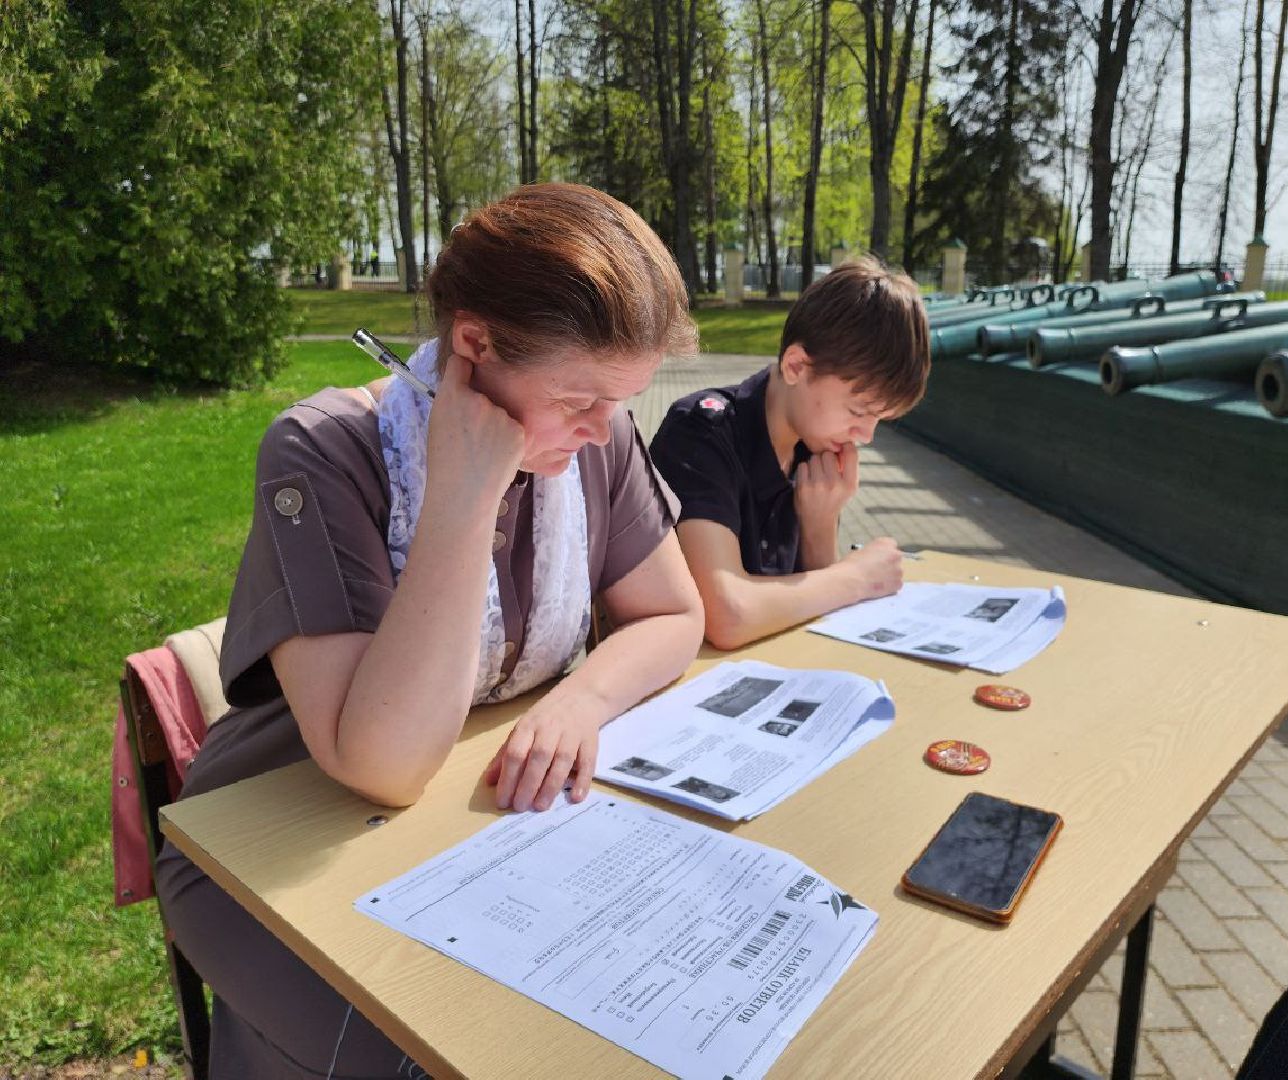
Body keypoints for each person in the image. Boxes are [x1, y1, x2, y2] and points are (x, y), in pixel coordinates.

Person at [155, 183, 706, 1077]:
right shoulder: (324, 451)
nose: (605, 431)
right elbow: (385, 764)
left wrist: (581, 702)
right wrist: (462, 497)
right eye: (581, 399)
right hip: (273, 853)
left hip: (475, 834)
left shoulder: (592, 438)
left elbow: (678, 614)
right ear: (474, 347)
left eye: (626, 398)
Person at [648, 255, 930, 649]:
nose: (865, 435)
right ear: (797, 366)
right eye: (858, 411)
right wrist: (858, 576)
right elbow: (726, 615)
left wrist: (819, 522)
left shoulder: (812, 447)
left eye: (880, 419)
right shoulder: (700, 432)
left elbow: (820, 604)